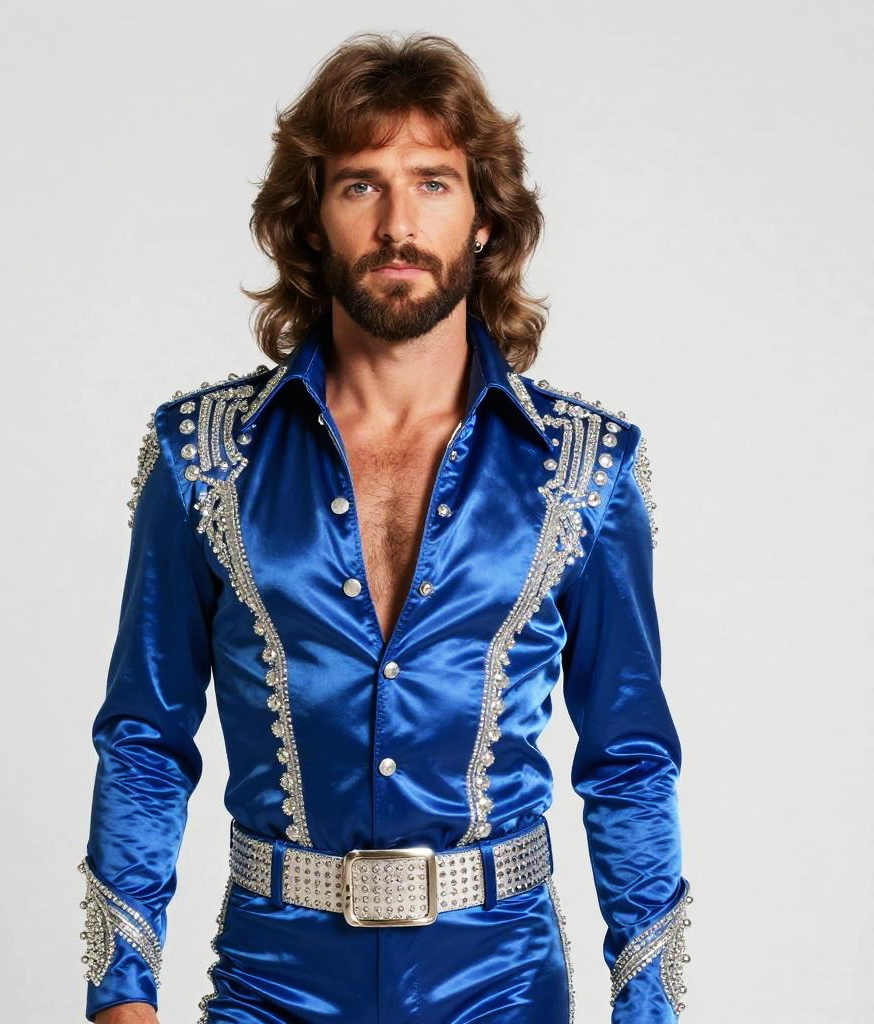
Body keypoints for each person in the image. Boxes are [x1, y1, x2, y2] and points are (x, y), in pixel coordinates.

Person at [76, 31, 692, 1024]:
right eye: (361, 184)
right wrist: (121, 998)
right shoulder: (204, 457)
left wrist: (648, 1007)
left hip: (499, 987)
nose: (398, 223)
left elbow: (628, 759)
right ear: (311, 218)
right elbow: (146, 737)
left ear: (484, 218)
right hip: (273, 985)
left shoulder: (583, 470)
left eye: (433, 183)